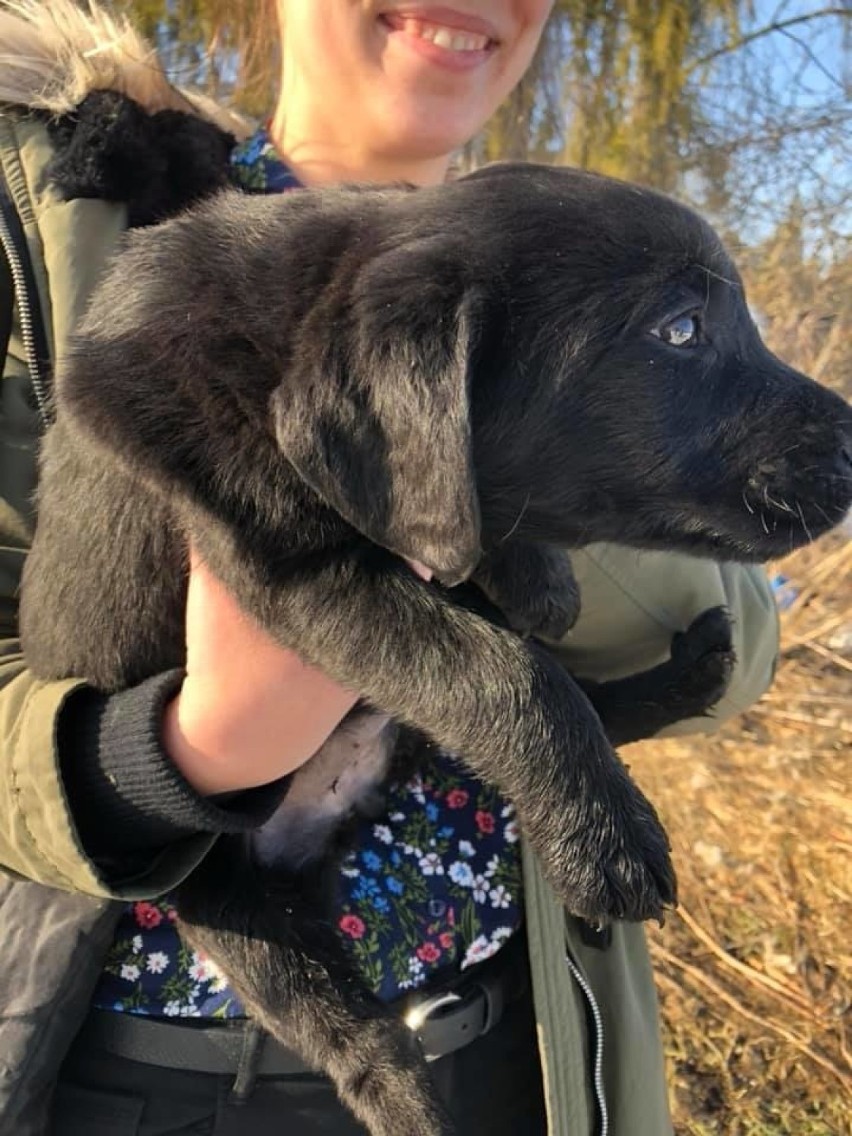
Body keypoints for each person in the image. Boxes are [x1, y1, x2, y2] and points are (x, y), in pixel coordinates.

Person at [0, 2, 780, 1133]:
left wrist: (517, 478)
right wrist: (180, 755)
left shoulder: (585, 252)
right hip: (131, 1069)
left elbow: (733, 652)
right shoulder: (79, 218)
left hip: (511, 1046)